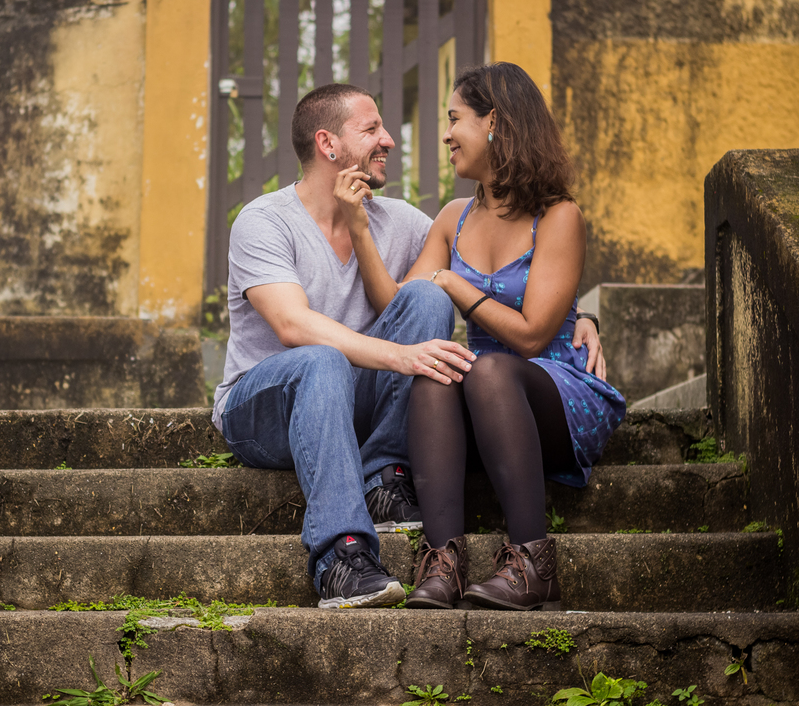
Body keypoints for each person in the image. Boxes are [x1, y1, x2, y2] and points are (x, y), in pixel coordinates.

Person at [212, 82, 603, 610]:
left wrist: (582, 316)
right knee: (321, 359)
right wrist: (399, 356)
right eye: (372, 129)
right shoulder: (265, 221)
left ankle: (385, 475)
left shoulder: (400, 221)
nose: (390, 140)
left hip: (350, 404)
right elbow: (292, 325)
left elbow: (478, 272)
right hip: (264, 408)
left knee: (423, 297)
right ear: (329, 145)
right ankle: (341, 556)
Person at [335, 63, 626, 611]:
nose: (446, 134)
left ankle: (532, 562)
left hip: (555, 391)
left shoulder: (559, 217)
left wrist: (454, 283)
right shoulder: (453, 218)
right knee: (437, 364)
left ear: (494, 122)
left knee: (488, 368)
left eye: (455, 119)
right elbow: (398, 308)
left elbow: (534, 336)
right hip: (482, 397)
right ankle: (442, 563)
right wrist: (357, 225)